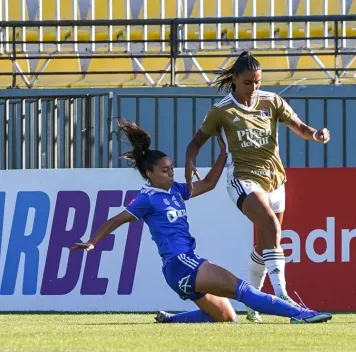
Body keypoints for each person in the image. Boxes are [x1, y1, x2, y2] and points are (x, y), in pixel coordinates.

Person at [70, 118, 332, 324]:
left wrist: (224, 154)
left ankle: (171, 320)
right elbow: (116, 220)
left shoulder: (174, 191)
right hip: (182, 264)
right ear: (149, 174)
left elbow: (207, 184)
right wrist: (93, 242)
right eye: (164, 170)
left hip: (178, 271)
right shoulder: (147, 198)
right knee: (240, 289)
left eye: (172, 168)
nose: (171, 173)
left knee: (226, 316)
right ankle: (300, 313)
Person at [185, 51, 331, 323]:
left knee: (266, 243)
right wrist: (190, 161)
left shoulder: (271, 101)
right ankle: (283, 299)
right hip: (242, 178)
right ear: (235, 81)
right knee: (272, 228)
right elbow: (195, 142)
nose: (253, 88)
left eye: (258, 82)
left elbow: (298, 126)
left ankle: (253, 303)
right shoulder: (222, 110)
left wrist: (315, 134)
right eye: (248, 83)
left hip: (275, 178)